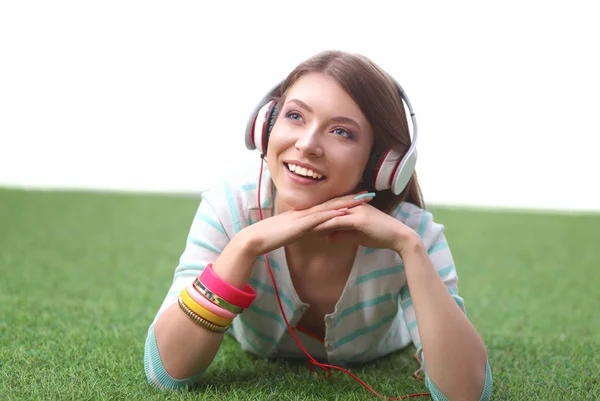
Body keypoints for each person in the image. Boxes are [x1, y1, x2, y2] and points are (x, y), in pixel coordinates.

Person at [144, 50, 493, 401]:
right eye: (295, 116)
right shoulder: (231, 206)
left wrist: (411, 248)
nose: (307, 144)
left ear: (381, 164)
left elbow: (467, 395)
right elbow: (166, 373)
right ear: (266, 126)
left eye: (341, 132)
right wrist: (244, 246)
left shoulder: (411, 233)